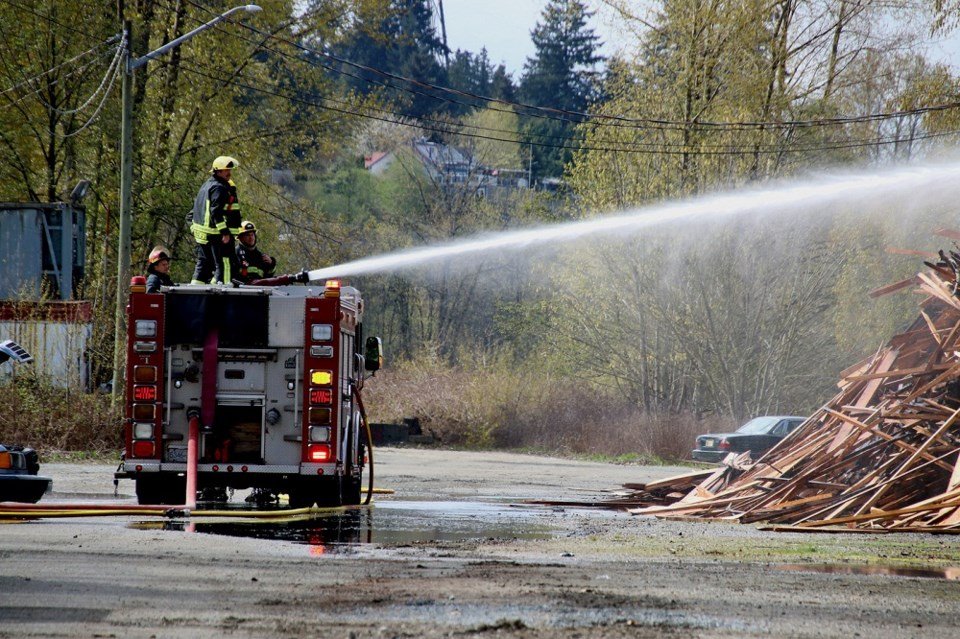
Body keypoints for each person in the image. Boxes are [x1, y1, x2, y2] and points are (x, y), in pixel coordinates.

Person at [190, 155, 242, 284]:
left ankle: (196, 291)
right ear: (218, 171)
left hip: (203, 235)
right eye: (226, 170)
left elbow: (192, 213)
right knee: (224, 264)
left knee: (203, 264)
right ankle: (222, 291)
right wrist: (224, 232)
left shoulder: (206, 185)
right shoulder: (219, 188)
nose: (229, 173)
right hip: (216, 234)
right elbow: (216, 212)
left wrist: (193, 228)